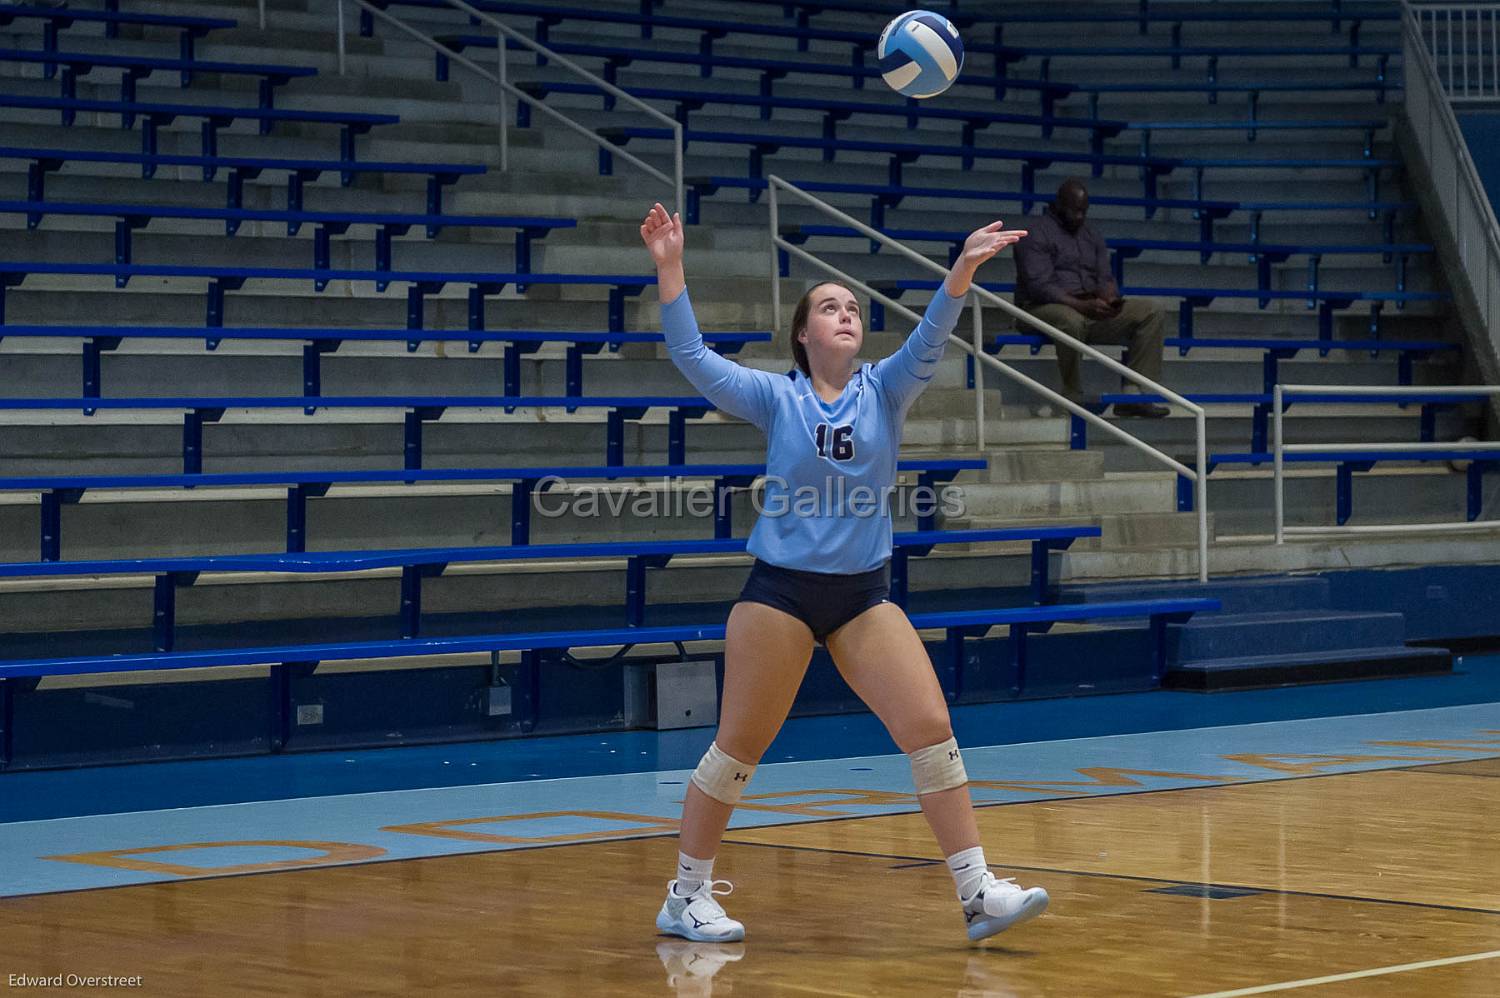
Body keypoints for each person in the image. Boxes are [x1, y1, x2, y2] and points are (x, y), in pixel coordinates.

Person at [638, 201, 1050, 945]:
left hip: (862, 596)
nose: (846, 314)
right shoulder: (777, 396)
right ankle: (685, 896)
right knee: (738, 751)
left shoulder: (887, 390)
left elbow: (931, 337)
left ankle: (976, 891)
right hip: (781, 593)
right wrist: (670, 268)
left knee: (930, 729)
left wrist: (962, 269)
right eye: (829, 307)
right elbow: (695, 358)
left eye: (854, 307)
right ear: (804, 333)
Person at [1012, 178, 1170, 418]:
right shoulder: (1035, 234)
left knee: (1151, 310)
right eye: (1074, 211)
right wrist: (1081, 305)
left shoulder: (1091, 235)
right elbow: (1040, 287)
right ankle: (1072, 394)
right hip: (1040, 308)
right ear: (1058, 205)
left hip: (1089, 307)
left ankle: (1132, 395)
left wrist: (1109, 297)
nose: (1079, 217)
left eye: (1083, 212)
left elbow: (1104, 276)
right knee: (1070, 320)